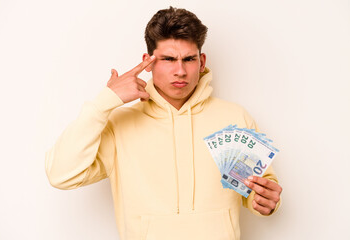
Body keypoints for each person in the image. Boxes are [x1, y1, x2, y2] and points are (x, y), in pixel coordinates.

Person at [46, 6, 282, 240]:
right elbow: (61, 175)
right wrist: (101, 104)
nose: (180, 71)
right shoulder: (119, 124)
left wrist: (264, 201)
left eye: (188, 59)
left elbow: (258, 189)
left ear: (201, 62)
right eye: (169, 59)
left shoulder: (235, 119)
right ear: (148, 62)